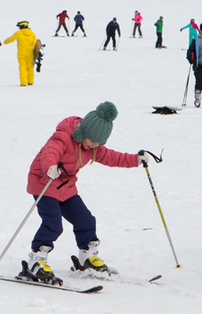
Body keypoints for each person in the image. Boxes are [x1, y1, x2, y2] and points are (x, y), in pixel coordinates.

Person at [20, 101, 149, 283]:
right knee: (53, 224)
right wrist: (50, 167)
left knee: (86, 220)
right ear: (83, 133)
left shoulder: (92, 147)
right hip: (44, 183)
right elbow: (49, 153)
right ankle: (36, 261)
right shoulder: (63, 137)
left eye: (99, 143)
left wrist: (135, 160)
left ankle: (87, 258)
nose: (95, 145)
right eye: (93, 141)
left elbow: (112, 157)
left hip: (65, 187)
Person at [4, 20, 37, 86]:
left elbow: (11, 39)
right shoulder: (32, 33)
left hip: (21, 54)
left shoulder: (19, 33)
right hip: (30, 54)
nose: (19, 28)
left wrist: (5, 42)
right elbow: (36, 44)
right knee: (30, 68)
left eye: (19, 27)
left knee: (22, 68)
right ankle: (30, 81)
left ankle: (23, 83)